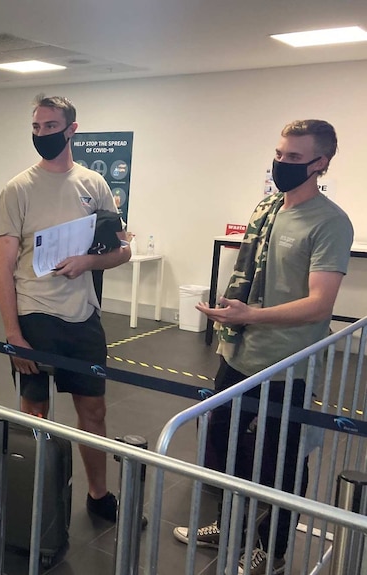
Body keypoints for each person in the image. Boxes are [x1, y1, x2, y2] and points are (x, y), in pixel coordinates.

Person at [173, 119, 353, 575]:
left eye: (295, 158)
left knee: (281, 462)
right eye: (279, 154)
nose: (282, 164)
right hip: (237, 356)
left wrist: (248, 315)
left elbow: (319, 306)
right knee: (220, 445)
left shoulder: (330, 223)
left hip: (286, 367)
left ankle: (270, 552)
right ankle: (226, 526)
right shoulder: (268, 208)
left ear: (322, 162)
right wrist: (233, 313)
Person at [0, 94, 131, 522]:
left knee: (93, 409)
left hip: (83, 315)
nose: (42, 134)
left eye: (51, 127)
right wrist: (13, 333)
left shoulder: (94, 184)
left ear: (71, 129)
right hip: (35, 314)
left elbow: (121, 250)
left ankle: (98, 495)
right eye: (36, 127)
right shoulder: (18, 189)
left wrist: (90, 261)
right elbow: (3, 268)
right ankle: (32, 496)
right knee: (35, 410)